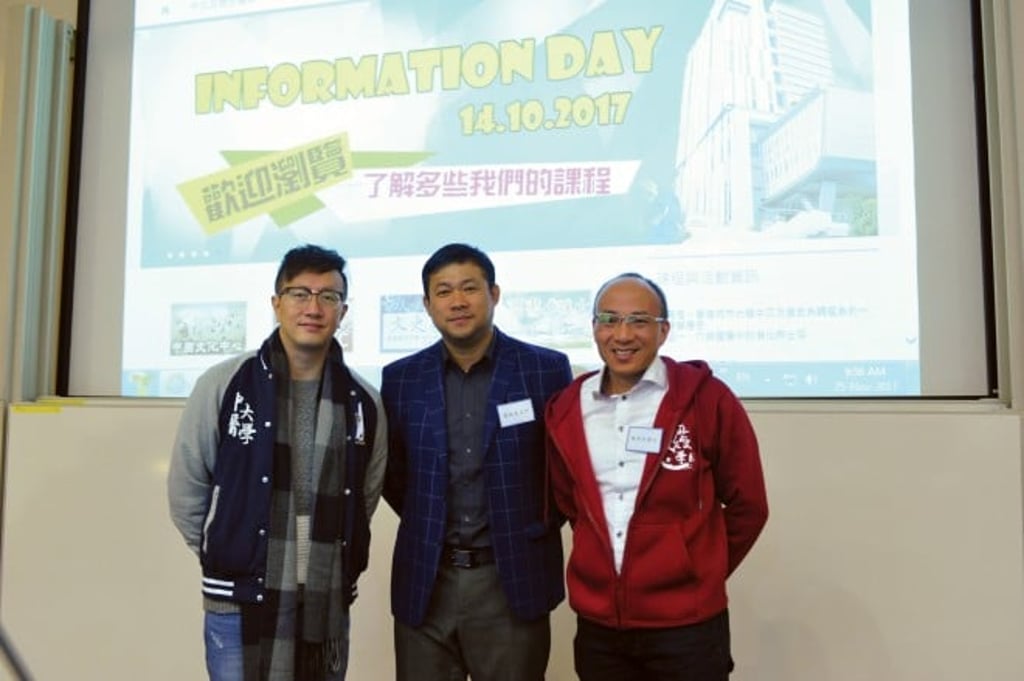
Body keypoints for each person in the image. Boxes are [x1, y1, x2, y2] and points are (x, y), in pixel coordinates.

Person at [167, 244, 388, 681]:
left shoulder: (364, 400)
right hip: (237, 598)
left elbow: (366, 494)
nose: (314, 307)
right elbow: (187, 489)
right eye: (300, 293)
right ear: (276, 304)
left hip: (325, 599)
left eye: (329, 296)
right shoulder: (225, 384)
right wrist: (232, 550)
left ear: (343, 311)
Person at [546, 272, 769, 681]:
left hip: (687, 629)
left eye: (639, 321)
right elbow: (570, 502)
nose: (623, 334)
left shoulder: (705, 399)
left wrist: (696, 567)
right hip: (600, 629)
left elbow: (749, 505)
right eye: (609, 319)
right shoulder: (566, 408)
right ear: (594, 329)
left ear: (663, 330)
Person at [381, 242, 573, 681]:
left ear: (494, 293)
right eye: (444, 291)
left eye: (469, 287)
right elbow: (395, 477)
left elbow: (562, 472)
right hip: (427, 579)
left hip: (511, 579)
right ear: (428, 305)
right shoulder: (400, 379)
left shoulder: (544, 369)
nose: (458, 301)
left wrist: (531, 530)